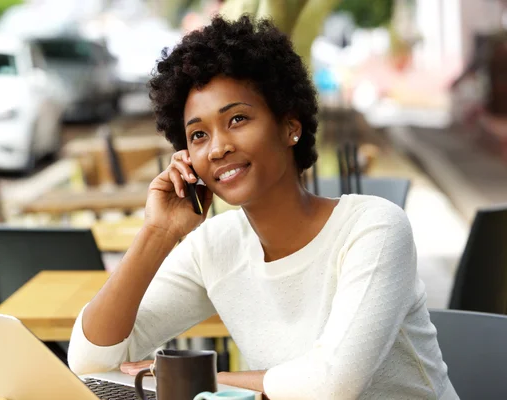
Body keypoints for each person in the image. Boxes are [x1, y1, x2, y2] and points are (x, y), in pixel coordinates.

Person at [68, 15, 458, 399]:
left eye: (237, 118)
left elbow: (331, 385)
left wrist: (195, 378)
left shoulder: (374, 228)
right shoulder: (214, 248)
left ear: (291, 126)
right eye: (198, 135)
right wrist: (159, 232)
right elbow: (90, 362)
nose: (218, 147)